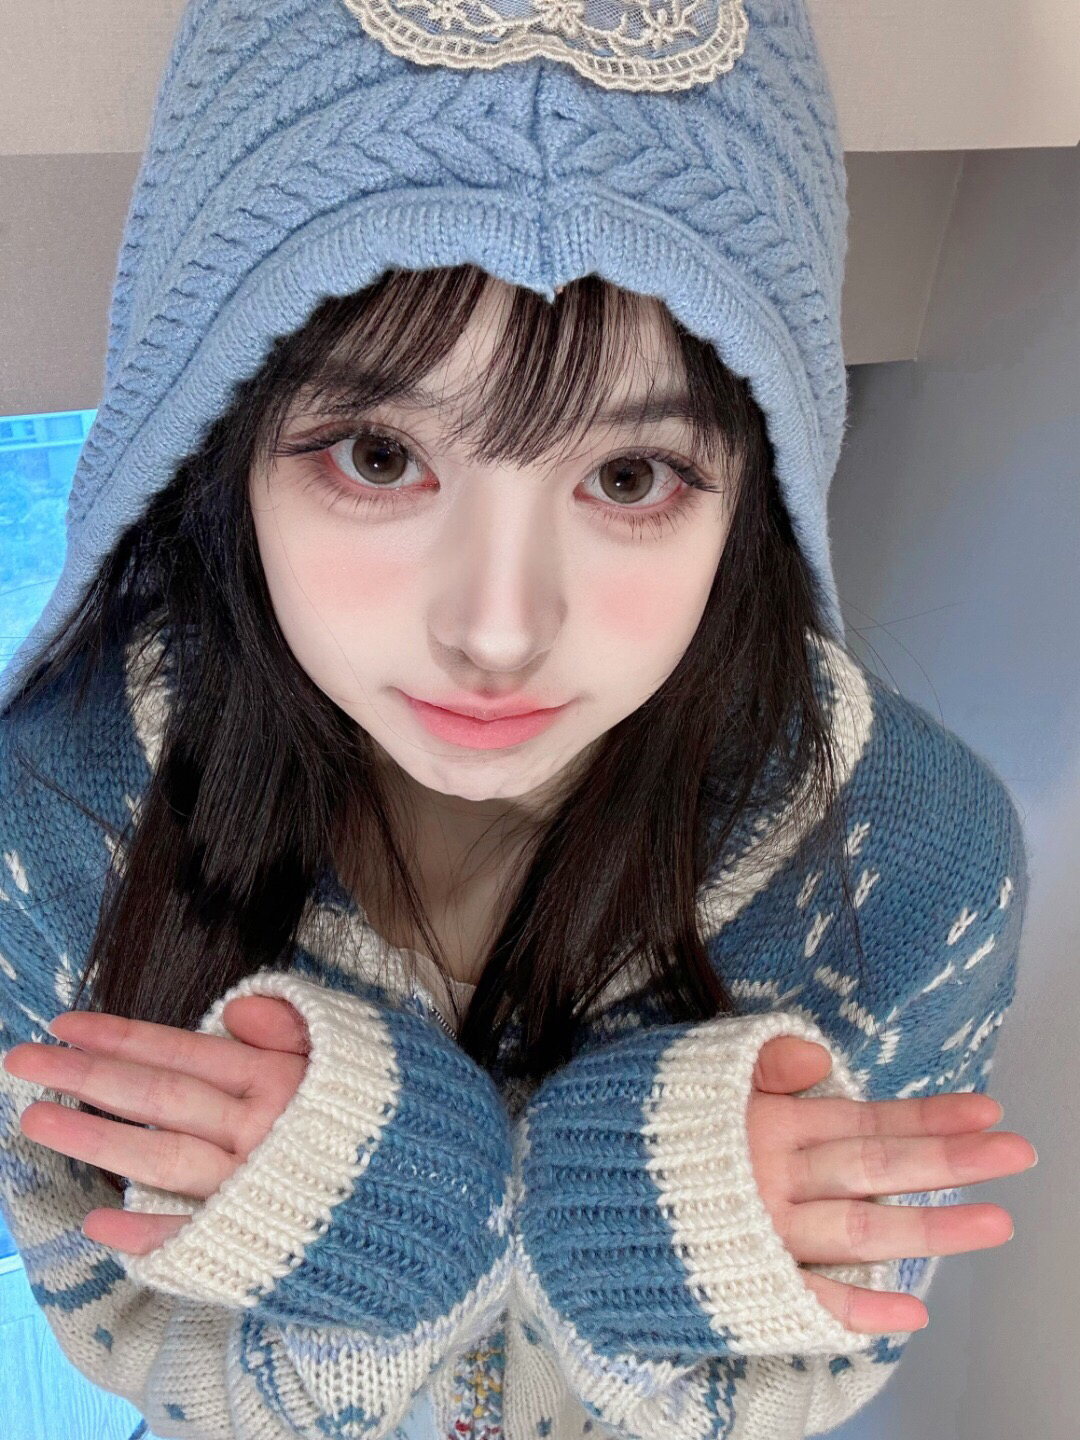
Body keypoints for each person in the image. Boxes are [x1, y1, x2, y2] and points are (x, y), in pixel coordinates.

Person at [0, 2, 1038, 1438]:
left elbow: (824, 1363)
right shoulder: (55, 818)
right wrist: (403, 1228)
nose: (498, 629)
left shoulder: (911, 858)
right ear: (216, 430)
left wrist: (611, 1228)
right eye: (380, 456)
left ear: (759, 479)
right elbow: (111, 1319)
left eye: (630, 477)